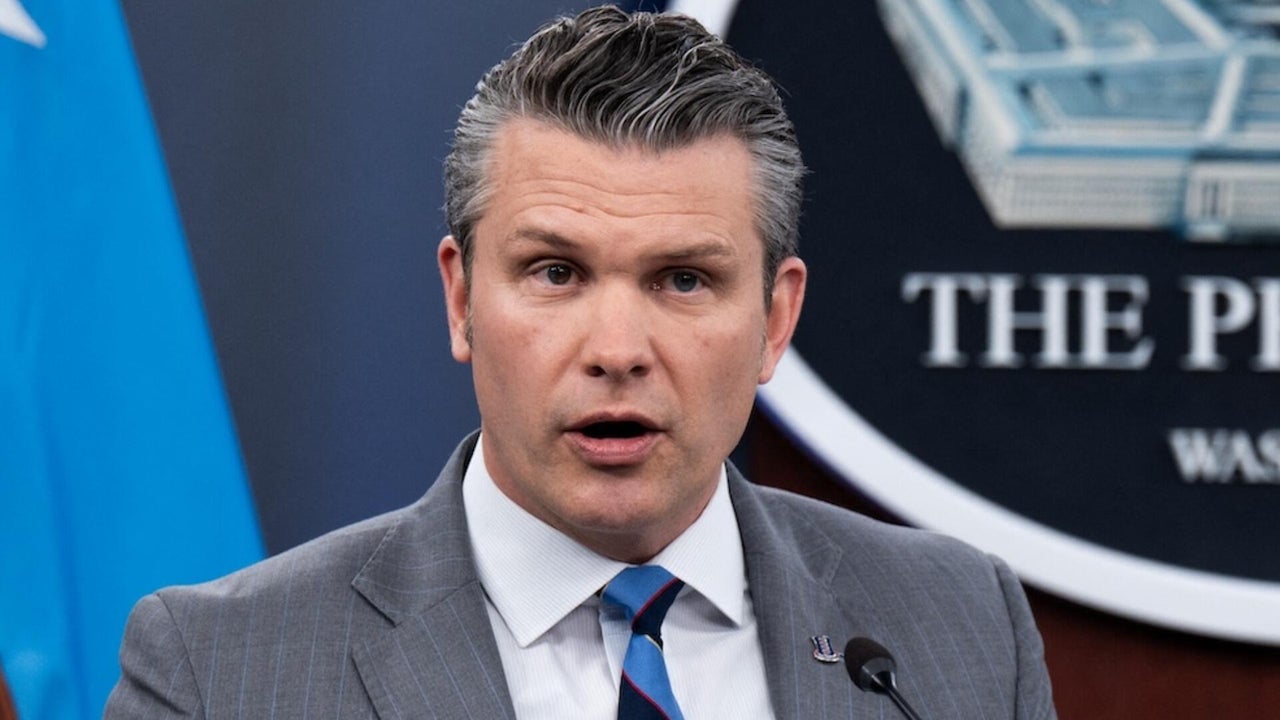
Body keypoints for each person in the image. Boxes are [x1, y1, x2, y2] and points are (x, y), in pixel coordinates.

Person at [106, 6, 1056, 718]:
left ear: (775, 319)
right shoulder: (220, 670)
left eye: (683, 280)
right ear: (461, 299)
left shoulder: (959, 628)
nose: (616, 352)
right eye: (555, 273)